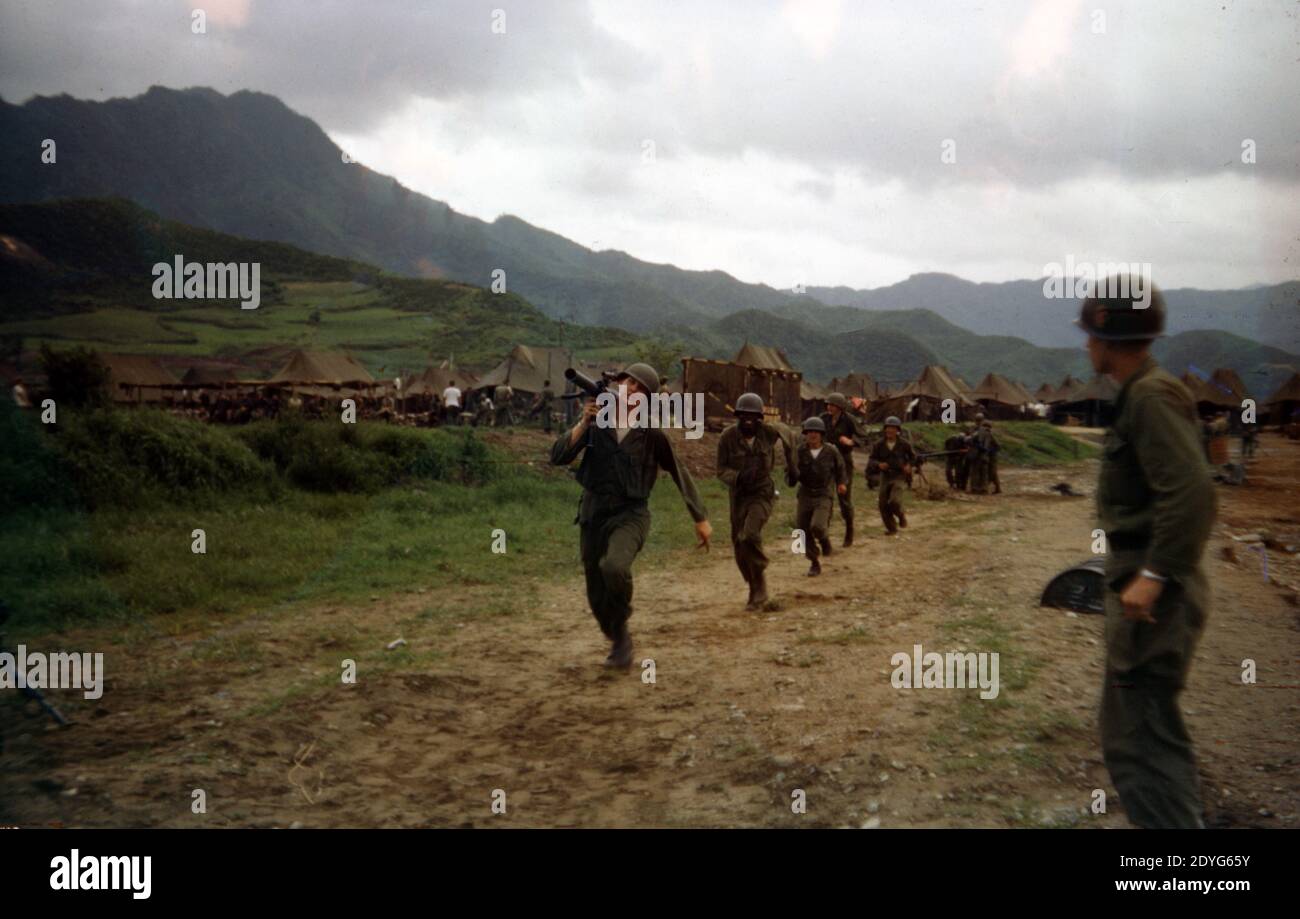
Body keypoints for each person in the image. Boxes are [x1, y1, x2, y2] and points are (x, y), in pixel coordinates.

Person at [1078, 276, 1216, 829]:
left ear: (1108, 338)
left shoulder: (1152, 398)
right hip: (1143, 581)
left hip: (1154, 591)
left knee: (1143, 743)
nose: (1086, 345)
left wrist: (1155, 574)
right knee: (1136, 732)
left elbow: (1193, 493)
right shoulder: (1142, 395)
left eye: (1090, 333)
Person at [550, 362, 711, 669]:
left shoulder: (652, 434)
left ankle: (622, 629)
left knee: (614, 567)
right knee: (596, 593)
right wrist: (583, 424)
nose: (631, 387)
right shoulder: (597, 422)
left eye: (640, 386)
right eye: (627, 381)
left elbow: (680, 473)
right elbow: (558, 457)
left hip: (631, 514)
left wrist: (700, 518)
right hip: (593, 513)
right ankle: (616, 634)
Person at [717, 392, 795, 610]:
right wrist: (738, 477)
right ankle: (753, 586)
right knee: (740, 546)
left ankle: (760, 582)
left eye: (753, 416)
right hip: (739, 496)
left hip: (762, 493)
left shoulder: (768, 433)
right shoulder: (727, 437)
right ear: (738, 416)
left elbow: (789, 434)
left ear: (759, 417)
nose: (748, 420)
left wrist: (793, 466)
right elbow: (721, 470)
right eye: (744, 415)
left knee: (750, 534)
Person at [786, 416, 846, 577]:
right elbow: (790, 474)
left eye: (816, 432)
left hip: (823, 493)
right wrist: (791, 476)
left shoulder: (831, 451)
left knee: (818, 526)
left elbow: (840, 469)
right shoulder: (799, 452)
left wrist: (842, 483)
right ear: (805, 434)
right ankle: (814, 562)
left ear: (822, 434)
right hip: (805, 493)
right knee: (801, 531)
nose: (813, 435)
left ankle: (825, 540)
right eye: (809, 432)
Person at [821, 393, 865, 546]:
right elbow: (811, 431)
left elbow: (864, 437)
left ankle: (849, 531)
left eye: (832, 405)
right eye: (828, 404)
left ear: (839, 407)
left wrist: (851, 441)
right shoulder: (823, 419)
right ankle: (823, 534)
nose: (829, 407)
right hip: (826, 464)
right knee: (824, 498)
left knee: (844, 499)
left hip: (844, 464)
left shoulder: (849, 420)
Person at [869, 416, 916, 535]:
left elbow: (913, 458)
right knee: (882, 504)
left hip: (899, 476)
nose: (889, 431)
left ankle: (901, 516)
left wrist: (909, 466)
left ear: (898, 430)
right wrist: (879, 465)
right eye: (888, 428)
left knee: (894, 501)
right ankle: (891, 528)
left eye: (893, 428)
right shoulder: (878, 444)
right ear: (885, 429)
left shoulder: (904, 444)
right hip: (885, 476)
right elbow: (871, 460)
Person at [978, 420, 1002, 494]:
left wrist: (990, 450)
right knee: (993, 472)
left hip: (992, 456)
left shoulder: (989, 434)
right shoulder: (988, 434)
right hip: (990, 455)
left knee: (991, 472)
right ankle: (997, 488)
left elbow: (997, 445)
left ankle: (985, 488)